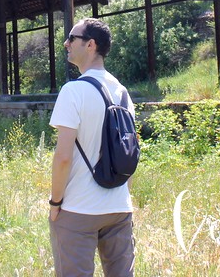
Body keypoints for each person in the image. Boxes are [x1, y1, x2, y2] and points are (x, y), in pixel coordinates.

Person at [48, 17, 135, 276]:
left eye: (72, 38)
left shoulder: (73, 91)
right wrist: (123, 195)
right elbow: (131, 151)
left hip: (78, 209)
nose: (66, 43)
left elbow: (63, 157)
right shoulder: (122, 92)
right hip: (119, 208)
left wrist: (55, 203)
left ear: (90, 45)